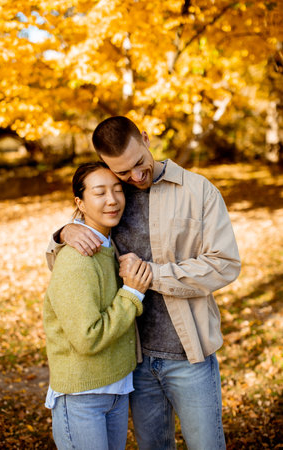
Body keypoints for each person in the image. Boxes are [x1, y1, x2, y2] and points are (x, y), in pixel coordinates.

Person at [46, 117, 241, 450]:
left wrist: (150, 275)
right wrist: (63, 232)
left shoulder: (198, 190)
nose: (135, 177)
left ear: (147, 139)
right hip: (134, 362)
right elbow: (69, 258)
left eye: (139, 163)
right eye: (122, 173)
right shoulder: (114, 195)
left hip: (188, 355)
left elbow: (224, 264)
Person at [44, 161, 152, 450]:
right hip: (82, 397)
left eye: (118, 190)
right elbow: (87, 337)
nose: (112, 200)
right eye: (99, 192)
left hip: (116, 388)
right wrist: (132, 293)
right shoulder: (77, 259)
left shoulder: (108, 244)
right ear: (79, 202)